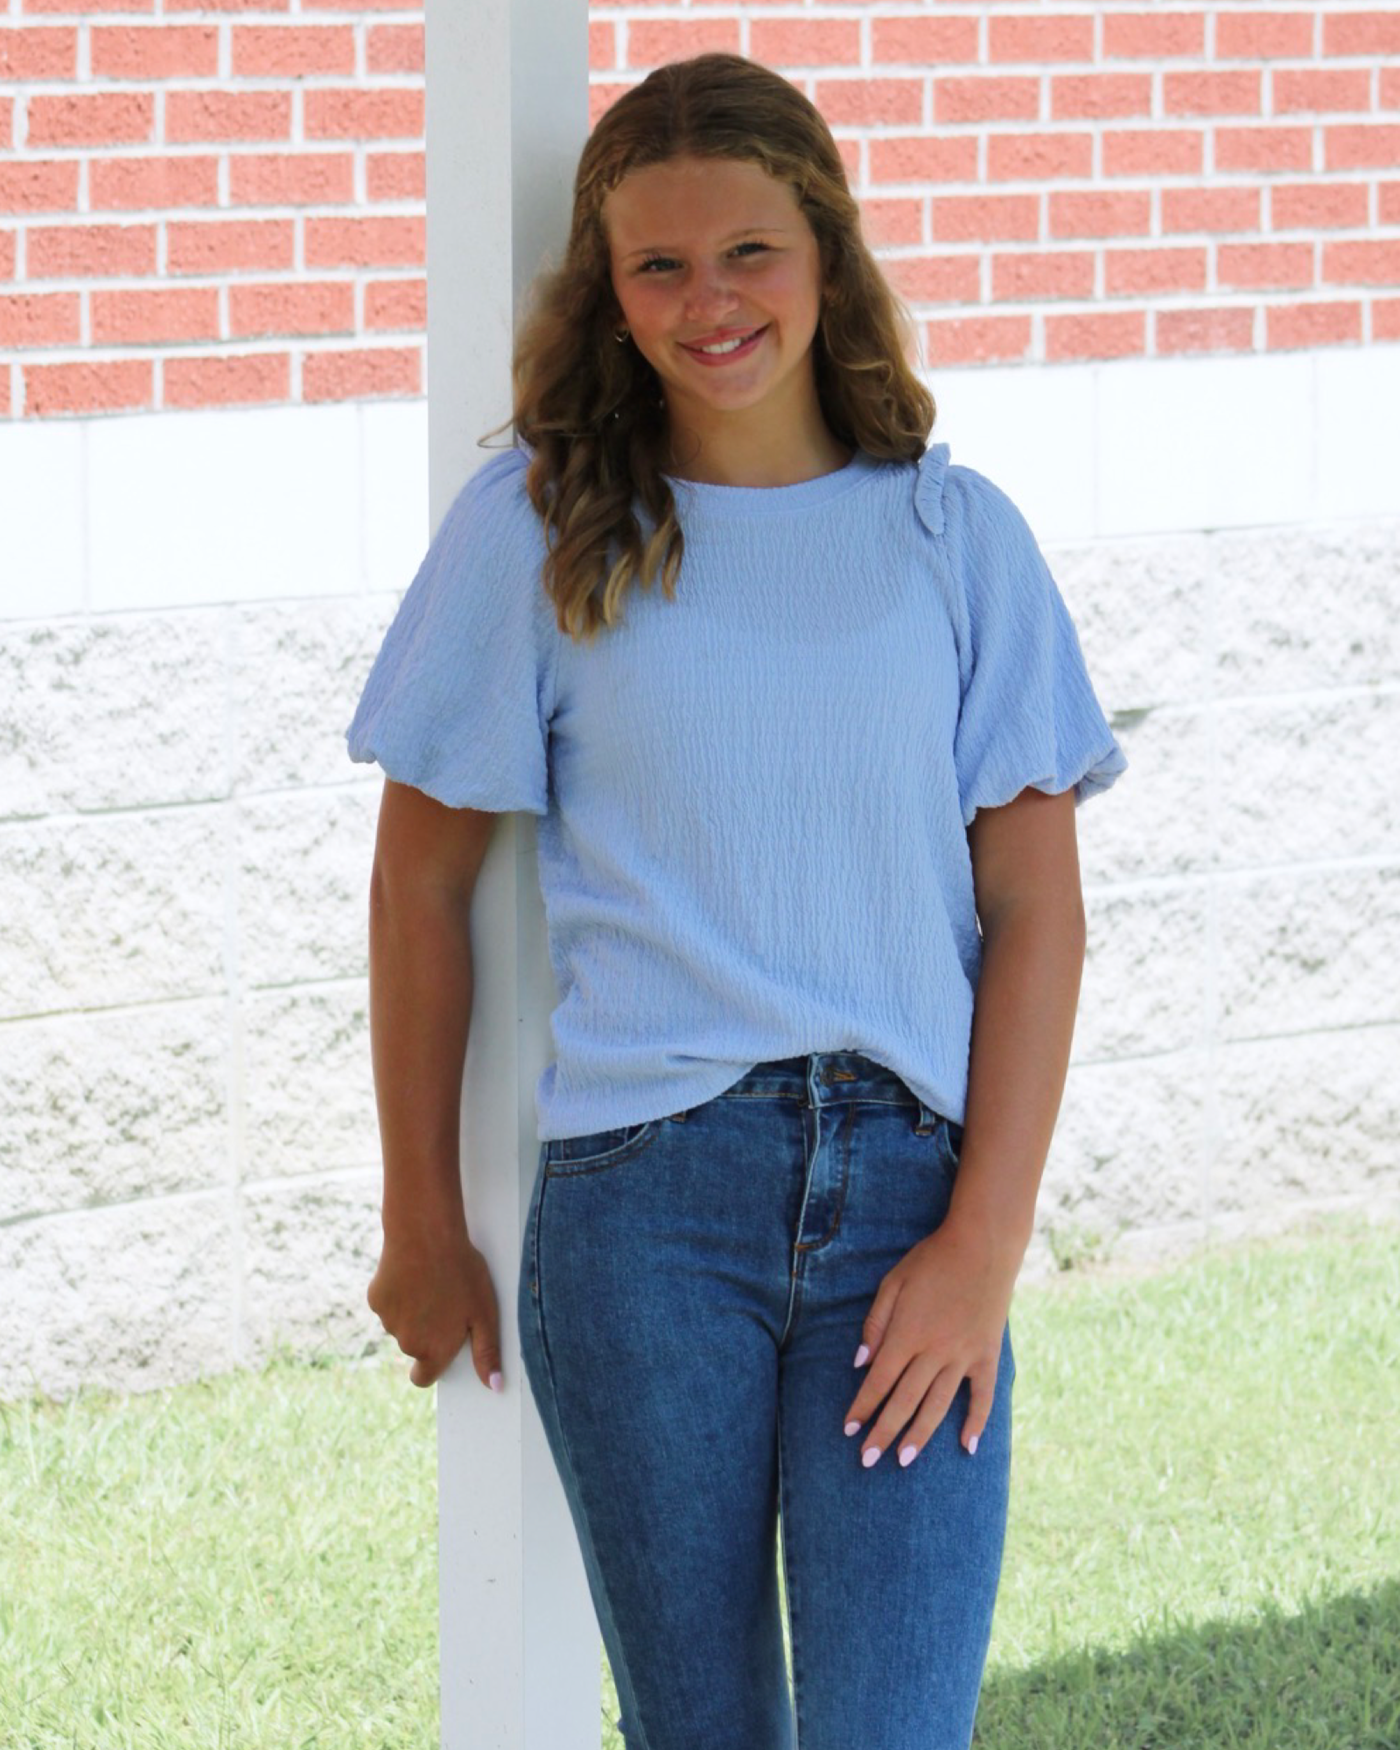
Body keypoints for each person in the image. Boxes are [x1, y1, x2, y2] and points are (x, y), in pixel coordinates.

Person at [346, 50, 1127, 1750]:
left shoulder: (954, 536)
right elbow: (420, 882)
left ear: (825, 254)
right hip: (648, 1220)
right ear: (609, 291)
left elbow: (1040, 914)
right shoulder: (541, 531)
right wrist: (419, 1213)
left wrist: (983, 1242)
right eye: (660, 265)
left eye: (750, 252)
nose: (711, 302)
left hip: (913, 1211)